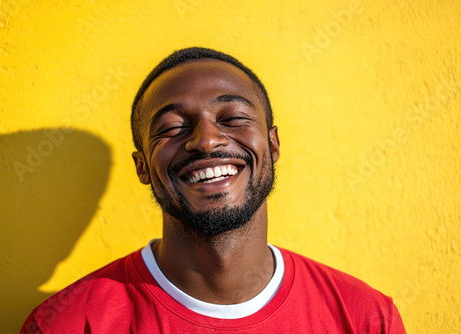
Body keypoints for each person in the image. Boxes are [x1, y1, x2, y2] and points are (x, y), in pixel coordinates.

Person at [21, 47, 406, 333]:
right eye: (172, 127)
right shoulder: (66, 324)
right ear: (143, 167)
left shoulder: (365, 318)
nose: (206, 141)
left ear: (272, 145)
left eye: (233, 118)